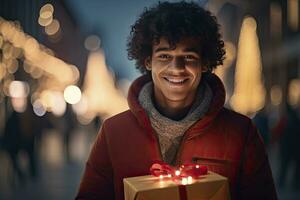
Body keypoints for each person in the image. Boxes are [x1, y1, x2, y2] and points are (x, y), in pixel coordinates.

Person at [76, 1, 277, 199]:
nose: (177, 68)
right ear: (148, 61)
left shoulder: (240, 133)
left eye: (188, 57)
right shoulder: (114, 132)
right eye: (164, 56)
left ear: (205, 63)